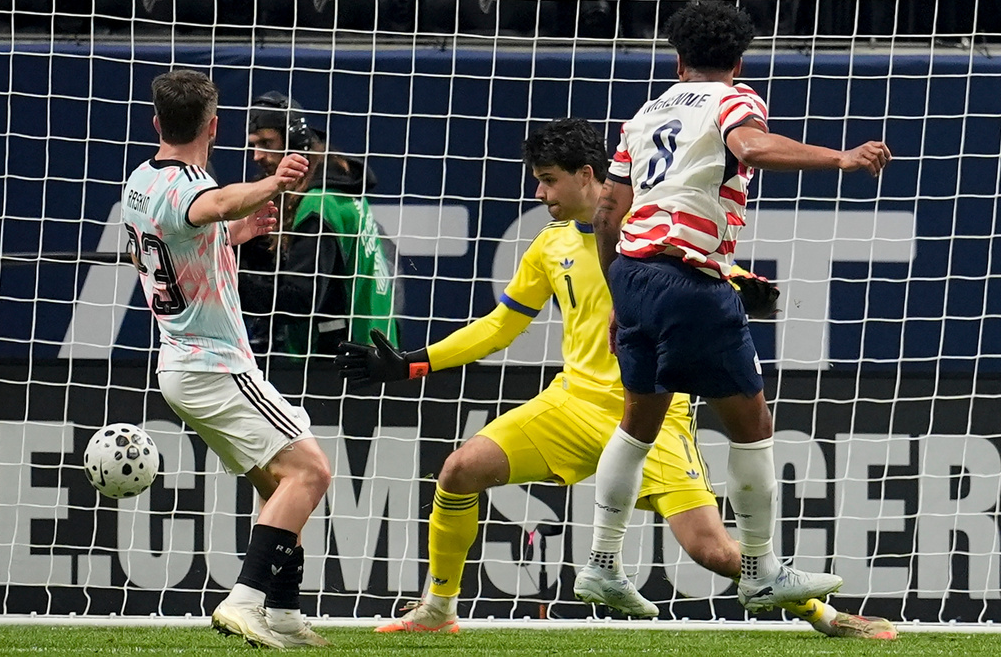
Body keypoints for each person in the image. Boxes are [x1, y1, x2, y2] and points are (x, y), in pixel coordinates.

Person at [336, 118, 895, 639]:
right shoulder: (549, 244)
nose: (541, 195)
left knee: (715, 551)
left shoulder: (650, 223)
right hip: (571, 405)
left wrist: (744, 281)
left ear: (587, 176)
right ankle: (438, 609)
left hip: (653, 416)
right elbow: (502, 326)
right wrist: (414, 363)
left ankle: (826, 615)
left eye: (549, 181)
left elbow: (701, 270)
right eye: (538, 182)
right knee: (459, 471)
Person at [582, 0, 893, 616]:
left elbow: (606, 213)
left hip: (635, 276)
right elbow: (750, 148)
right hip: (689, 281)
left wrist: (621, 290)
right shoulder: (734, 101)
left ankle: (602, 564)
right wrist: (841, 158)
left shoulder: (646, 113)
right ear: (740, 60)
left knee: (638, 422)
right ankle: (759, 571)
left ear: (677, 59)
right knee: (752, 427)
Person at [121, 70, 332, 649]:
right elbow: (209, 203)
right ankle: (244, 601)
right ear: (215, 126)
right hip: (214, 364)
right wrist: (272, 184)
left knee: (279, 487)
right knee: (311, 472)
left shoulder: (140, 180)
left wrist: (235, 232)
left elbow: (187, 234)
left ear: (157, 122)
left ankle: (285, 613)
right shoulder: (192, 187)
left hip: (181, 364)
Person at [238, 90, 399, 357]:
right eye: (253, 144)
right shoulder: (337, 186)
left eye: (267, 143)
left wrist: (229, 282)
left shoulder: (319, 207)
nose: (256, 155)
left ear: (294, 145)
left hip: (345, 354)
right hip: (374, 338)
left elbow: (303, 300)